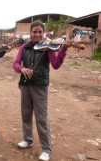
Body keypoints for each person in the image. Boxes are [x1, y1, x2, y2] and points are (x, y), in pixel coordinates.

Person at [13, 20, 72, 161]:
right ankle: (28, 139)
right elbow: (15, 64)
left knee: (41, 118)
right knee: (26, 114)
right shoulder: (24, 47)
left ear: (44, 33)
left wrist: (63, 49)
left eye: (40, 32)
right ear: (30, 33)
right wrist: (22, 68)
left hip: (40, 86)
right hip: (25, 85)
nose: (38, 34)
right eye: (35, 32)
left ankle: (47, 149)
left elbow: (56, 65)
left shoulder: (49, 46)